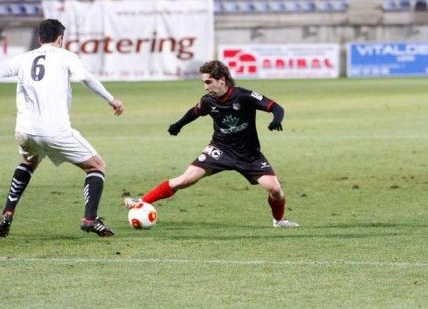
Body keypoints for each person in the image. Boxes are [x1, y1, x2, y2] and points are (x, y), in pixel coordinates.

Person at [0, 19, 124, 237]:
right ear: (60, 39)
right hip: (56, 131)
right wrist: (111, 99)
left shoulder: (24, 58)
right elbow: (86, 77)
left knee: (29, 162)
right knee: (97, 166)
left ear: (40, 38)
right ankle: (90, 218)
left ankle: (7, 212)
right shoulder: (66, 56)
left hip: (25, 131)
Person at [124, 60, 298, 228]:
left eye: (209, 82)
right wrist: (178, 125)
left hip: (248, 154)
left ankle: (279, 221)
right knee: (185, 180)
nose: (206, 87)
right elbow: (194, 112)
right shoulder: (208, 100)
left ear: (222, 80)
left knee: (274, 189)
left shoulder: (244, 96)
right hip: (220, 150)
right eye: (204, 83)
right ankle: (141, 202)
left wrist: (276, 119)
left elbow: (276, 107)